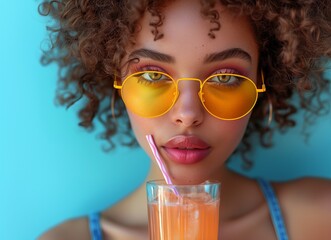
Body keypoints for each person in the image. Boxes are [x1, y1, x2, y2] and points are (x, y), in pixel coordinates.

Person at [37, 0, 331, 239]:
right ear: (117, 81)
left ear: (261, 82)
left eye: (225, 78)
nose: (187, 114)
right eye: (152, 75)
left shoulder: (319, 218)